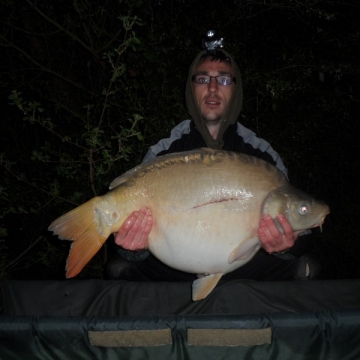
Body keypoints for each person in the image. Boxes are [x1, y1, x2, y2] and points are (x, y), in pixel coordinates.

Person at [104, 47, 320, 282]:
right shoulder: (164, 153)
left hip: (243, 267)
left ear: (235, 89)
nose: (213, 88)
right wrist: (131, 248)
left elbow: (303, 232)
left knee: (307, 267)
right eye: (203, 78)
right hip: (178, 268)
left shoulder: (263, 156)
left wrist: (286, 247)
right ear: (191, 87)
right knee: (119, 268)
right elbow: (132, 232)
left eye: (224, 79)